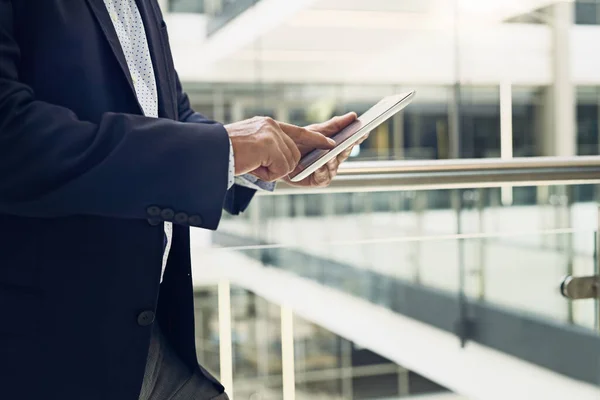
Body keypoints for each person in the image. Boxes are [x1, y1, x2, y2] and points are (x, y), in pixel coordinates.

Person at [0, 1, 362, 399]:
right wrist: (223, 148)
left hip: (150, 333)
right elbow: (11, 137)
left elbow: (173, 117)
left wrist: (275, 148)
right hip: (49, 345)